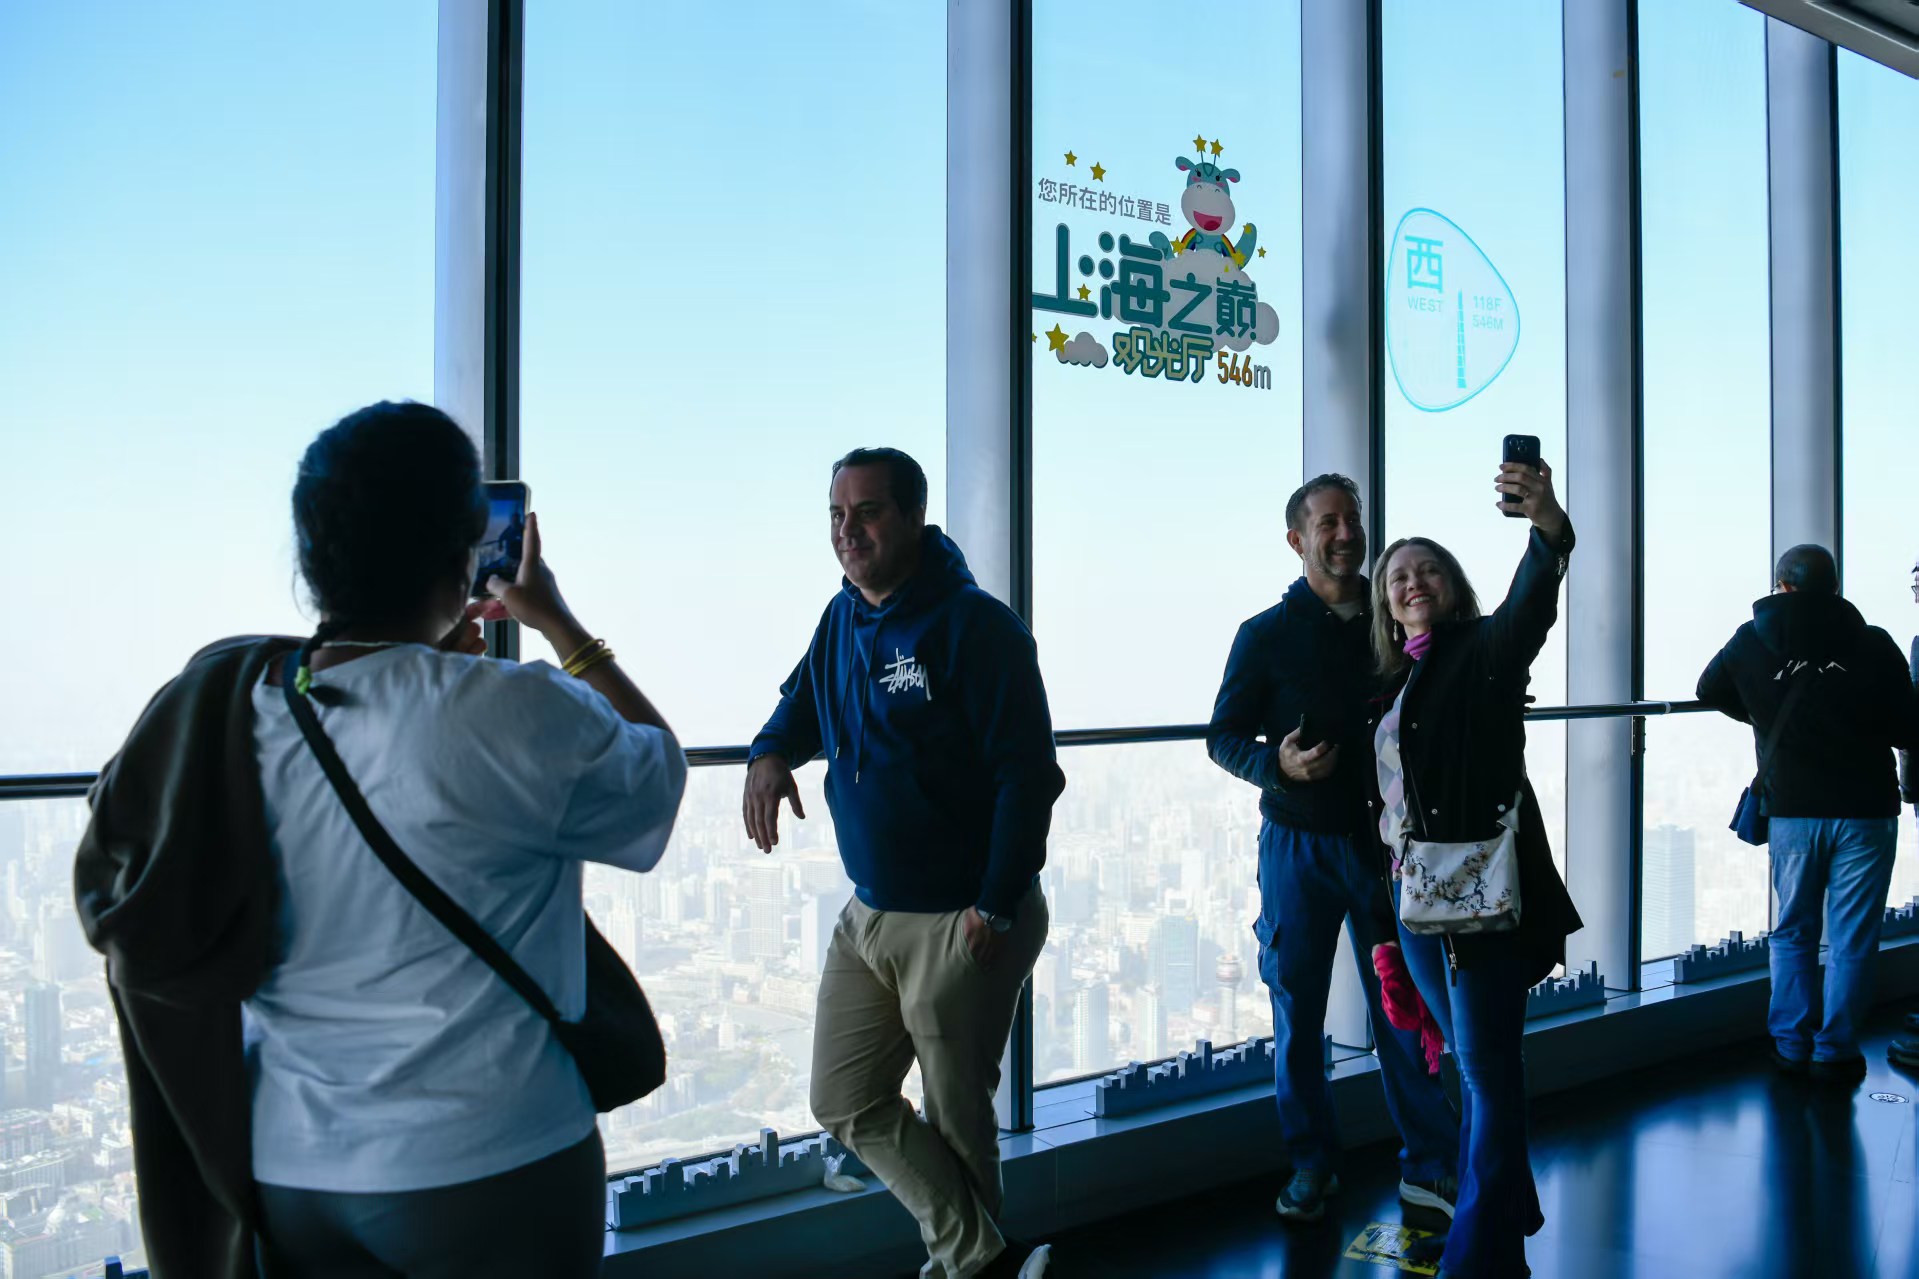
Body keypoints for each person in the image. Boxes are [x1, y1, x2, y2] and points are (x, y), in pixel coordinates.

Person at [77, 401, 687, 1279]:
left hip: (294, 1169)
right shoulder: (509, 708)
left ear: (312, 556)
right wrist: (558, 623)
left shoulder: (234, 709)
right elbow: (657, 775)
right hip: (493, 1155)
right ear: (463, 549)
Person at [742, 447, 1065, 1279]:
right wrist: (769, 753)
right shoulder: (841, 617)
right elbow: (797, 707)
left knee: (957, 1120)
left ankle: (963, 1264)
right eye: (836, 514)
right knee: (843, 1096)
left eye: (868, 512)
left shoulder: (976, 626)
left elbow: (1028, 777)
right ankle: (986, 1261)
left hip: (962, 915)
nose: (847, 531)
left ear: (914, 517)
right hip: (869, 911)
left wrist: (994, 906)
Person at [1207, 473, 1459, 1224]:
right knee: (1298, 1012)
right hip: (1296, 848)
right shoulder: (1264, 634)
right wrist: (1276, 765)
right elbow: (1222, 736)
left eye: (1352, 519)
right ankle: (1312, 1163)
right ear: (1297, 540)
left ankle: (1429, 1165)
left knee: (1403, 1011)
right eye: (1328, 523)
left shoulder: (1391, 625)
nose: (1346, 533)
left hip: (1382, 849)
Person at [1372, 460, 1582, 1279]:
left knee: (1487, 1074)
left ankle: (1477, 1257)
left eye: (1427, 569)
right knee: (1479, 1066)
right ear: (1387, 605)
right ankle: (1505, 1209)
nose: (1412, 581)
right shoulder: (1399, 682)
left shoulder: (1482, 652)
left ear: (1453, 588)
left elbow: (1529, 608)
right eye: (1398, 576)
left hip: (1479, 903)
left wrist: (1547, 528)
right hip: (1417, 900)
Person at [1697, 543, 1919, 1085]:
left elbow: (1708, 690)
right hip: (1866, 810)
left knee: (1793, 930)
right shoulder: (1873, 643)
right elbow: (1907, 727)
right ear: (1835, 588)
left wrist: (1761, 714)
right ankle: (1836, 1048)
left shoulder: (1750, 640)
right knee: (1853, 936)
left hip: (1794, 809)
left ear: (1782, 586)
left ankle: (1791, 1042)